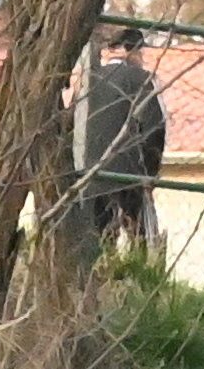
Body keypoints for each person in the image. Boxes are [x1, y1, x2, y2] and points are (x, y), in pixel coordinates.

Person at [69, 25, 168, 266]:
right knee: (140, 240)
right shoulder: (142, 80)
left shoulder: (86, 83)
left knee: (98, 243)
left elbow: (71, 124)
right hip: (129, 173)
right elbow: (154, 127)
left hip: (88, 174)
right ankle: (141, 278)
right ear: (128, 50)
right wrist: (151, 174)